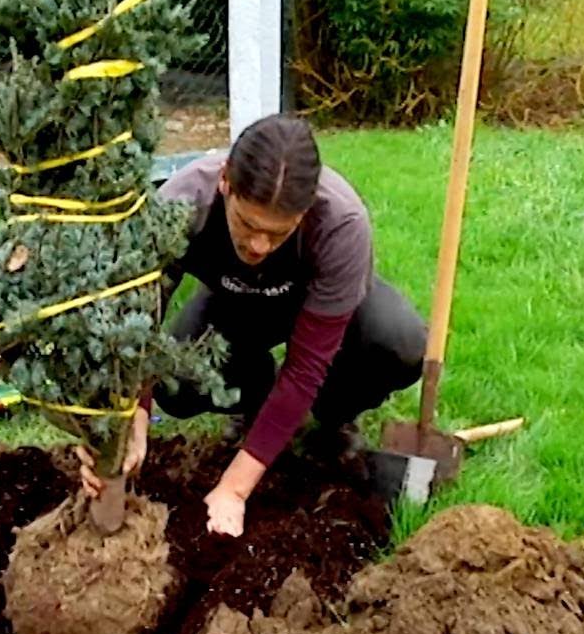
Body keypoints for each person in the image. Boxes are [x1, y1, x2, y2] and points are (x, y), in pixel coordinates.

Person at [78, 113, 427, 537]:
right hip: (234, 309)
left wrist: (234, 490)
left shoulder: (340, 224)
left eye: (279, 233)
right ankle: (254, 399)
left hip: (325, 314)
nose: (260, 245)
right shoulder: (180, 205)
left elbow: (306, 368)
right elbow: (136, 324)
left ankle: (334, 417)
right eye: (248, 224)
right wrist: (134, 414)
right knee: (177, 384)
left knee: (398, 343)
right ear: (226, 182)